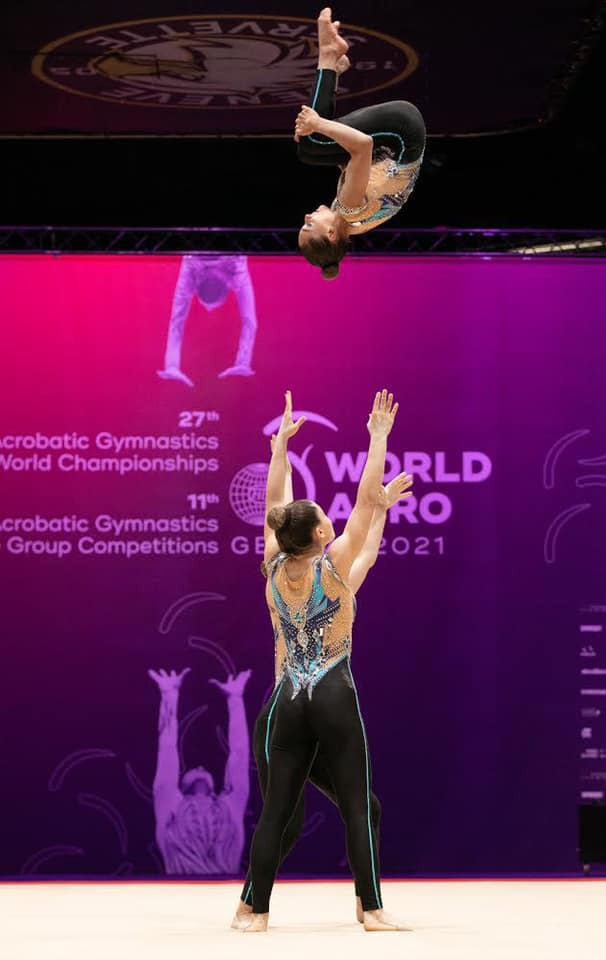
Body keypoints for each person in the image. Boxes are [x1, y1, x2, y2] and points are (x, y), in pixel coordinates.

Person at [240, 389, 409, 932]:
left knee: (277, 812)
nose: (332, 518)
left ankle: (255, 912)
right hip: (333, 697)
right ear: (318, 533)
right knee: (358, 806)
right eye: (322, 516)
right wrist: (378, 438)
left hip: (288, 699)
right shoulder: (333, 566)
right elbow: (362, 501)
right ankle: (373, 909)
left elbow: (279, 509)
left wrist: (279, 452)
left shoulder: (272, 565)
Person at [294, 9, 426, 279]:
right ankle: (328, 56)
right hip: (402, 133)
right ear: (331, 235)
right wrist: (316, 125)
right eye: (309, 226)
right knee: (312, 140)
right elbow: (363, 145)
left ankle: (334, 65)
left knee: (310, 150)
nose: (306, 217)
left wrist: (319, 136)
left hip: (390, 147)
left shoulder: (348, 220)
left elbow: (352, 161)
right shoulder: (349, 208)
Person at [148, 666, 251, 874]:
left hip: (225, 886)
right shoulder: (170, 805)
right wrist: (169, 695)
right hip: (182, 889)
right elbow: (167, 750)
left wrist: (235, 700)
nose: (201, 767)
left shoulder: (230, 806)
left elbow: (240, 756)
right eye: (194, 768)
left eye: (203, 768)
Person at [157, 254, 257, 386]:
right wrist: (242, 363)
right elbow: (249, 321)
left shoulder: (236, 269)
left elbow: (177, 322)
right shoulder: (235, 269)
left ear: (227, 285)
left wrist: (172, 366)